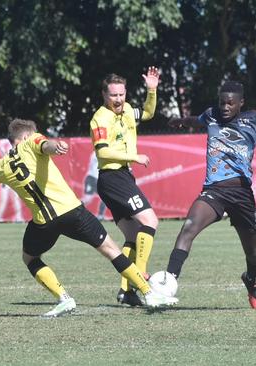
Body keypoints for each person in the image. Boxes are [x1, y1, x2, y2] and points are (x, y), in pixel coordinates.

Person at [0, 119, 176, 317]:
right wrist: (54, 147)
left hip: (44, 223)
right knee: (111, 250)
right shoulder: (32, 140)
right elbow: (45, 144)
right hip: (73, 211)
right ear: (25, 135)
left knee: (30, 259)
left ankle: (64, 297)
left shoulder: (0, 165)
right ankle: (148, 293)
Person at [164, 81, 256, 309]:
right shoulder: (211, 115)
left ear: (240, 104)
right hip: (214, 190)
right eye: (222, 102)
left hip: (242, 194)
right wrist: (179, 121)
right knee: (188, 227)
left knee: (254, 256)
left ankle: (250, 279)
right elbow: (194, 120)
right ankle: (167, 283)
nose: (225, 107)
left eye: (230, 103)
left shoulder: (255, 118)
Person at [89, 66, 161, 306]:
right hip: (112, 178)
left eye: (121, 94)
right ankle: (140, 275)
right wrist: (134, 157)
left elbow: (149, 113)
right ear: (104, 96)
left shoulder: (129, 110)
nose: (118, 99)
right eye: (113, 95)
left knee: (132, 236)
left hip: (122, 178)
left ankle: (126, 291)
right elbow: (104, 151)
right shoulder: (100, 118)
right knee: (150, 221)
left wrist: (152, 90)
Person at [0, 139, 24, 223]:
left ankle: (18, 217)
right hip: (5, 177)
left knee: (15, 198)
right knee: (4, 199)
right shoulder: (5, 143)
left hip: (14, 176)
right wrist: (3, 153)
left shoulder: (18, 145)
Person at [80, 153, 107, 220]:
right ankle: (74, 209)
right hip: (92, 178)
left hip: (97, 179)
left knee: (105, 197)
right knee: (87, 199)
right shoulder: (96, 153)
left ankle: (100, 215)